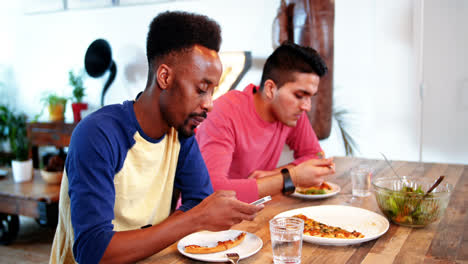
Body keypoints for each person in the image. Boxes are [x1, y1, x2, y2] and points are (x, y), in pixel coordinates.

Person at [50, 11, 262, 264]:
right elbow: (93, 251)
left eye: (212, 91)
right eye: (202, 89)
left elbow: (198, 201)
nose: (210, 104)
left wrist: (192, 217)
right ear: (165, 77)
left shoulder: (180, 133)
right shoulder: (97, 135)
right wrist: (193, 219)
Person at [196, 42, 336, 203]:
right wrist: (291, 177)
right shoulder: (224, 113)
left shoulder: (291, 113)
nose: (307, 106)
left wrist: (276, 175)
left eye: (310, 97)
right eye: (299, 95)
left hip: (254, 211)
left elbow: (315, 156)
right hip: (208, 220)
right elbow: (211, 191)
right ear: (270, 89)